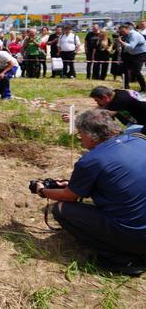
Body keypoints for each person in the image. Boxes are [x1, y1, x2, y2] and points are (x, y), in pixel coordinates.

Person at [34, 109, 146, 276]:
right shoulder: (139, 142)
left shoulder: (91, 159)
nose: (79, 138)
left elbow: (69, 196)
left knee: (62, 209)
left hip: (137, 238)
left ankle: (123, 259)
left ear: (91, 134)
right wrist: (70, 183)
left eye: (80, 133)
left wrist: (42, 190)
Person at [116, 23, 146, 92]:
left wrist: (120, 41)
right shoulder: (126, 34)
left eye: (123, 31)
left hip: (141, 53)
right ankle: (126, 86)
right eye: (121, 32)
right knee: (124, 69)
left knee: (136, 71)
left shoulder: (134, 35)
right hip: (131, 53)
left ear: (128, 29)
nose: (122, 33)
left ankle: (144, 87)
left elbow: (131, 47)